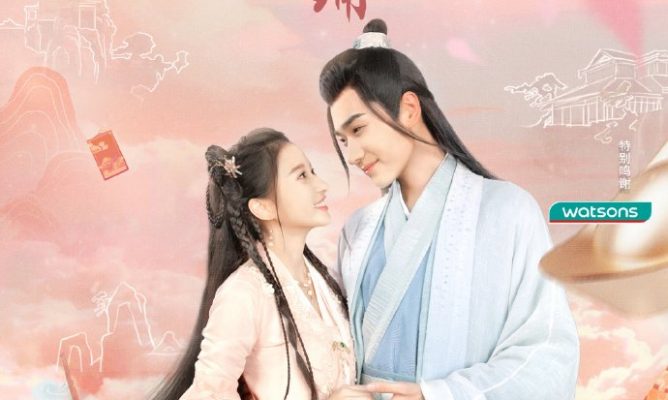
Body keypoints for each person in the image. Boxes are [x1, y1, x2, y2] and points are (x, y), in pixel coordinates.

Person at [318, 19, 580, 400]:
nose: (353, 155)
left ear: (409, 108)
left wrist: (437, 394)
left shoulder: (507, 211)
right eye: (343, 141)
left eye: (358, 130)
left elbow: (546, 353)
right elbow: (330, 341)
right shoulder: (357, 230)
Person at [151, 128, 369, 400]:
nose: (322, 185)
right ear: (262, 207)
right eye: (302, 176)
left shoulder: (327, 279)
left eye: (312, 171)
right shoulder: (244, 294)